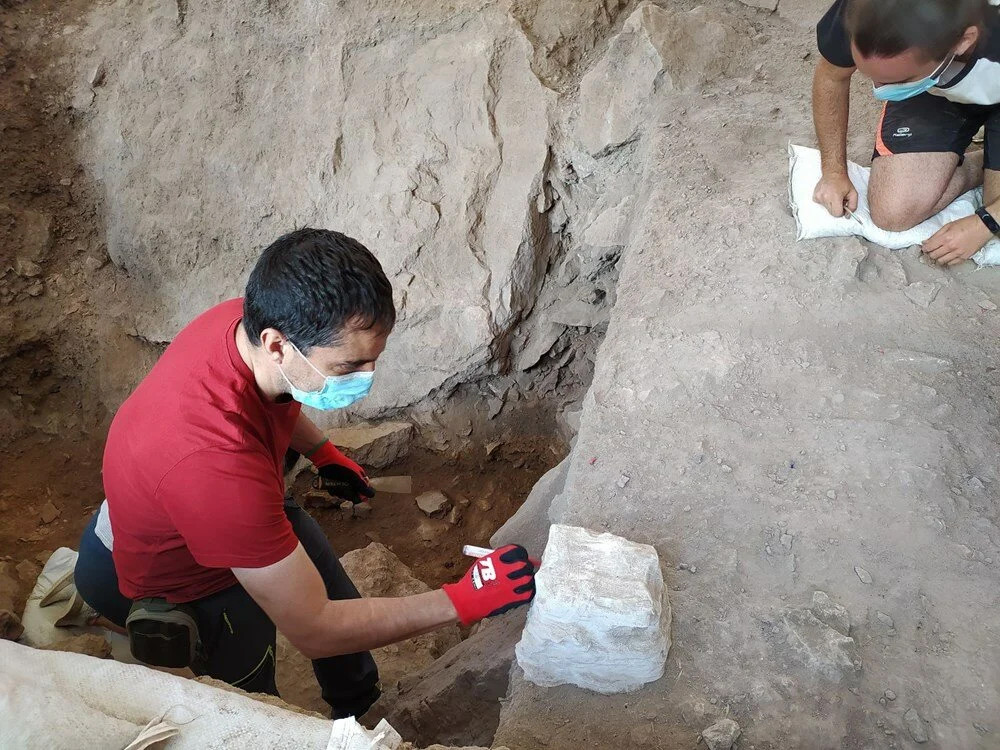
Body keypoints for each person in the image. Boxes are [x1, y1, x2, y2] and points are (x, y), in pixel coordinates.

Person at [73, 228, 536, 718]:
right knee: (252, 688)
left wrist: (323, 453)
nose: (365, 379)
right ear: (277, 345)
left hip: (213, 501)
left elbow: (280, 397)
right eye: (348, 366)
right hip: (185, 579)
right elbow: (314, 630)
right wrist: (463, 599)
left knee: (328, 580)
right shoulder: (216, 466)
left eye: (371, 361)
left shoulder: (245, 322)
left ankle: (360, 708)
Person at [812, 0, 1000, 265]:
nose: (879, 89)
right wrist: (833, 171)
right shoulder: (866, 9)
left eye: (896, 82)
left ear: (962, 40)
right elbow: (832, 75)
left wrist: (987, 221)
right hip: (936, 81)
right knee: (893, 211)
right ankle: (984, 162)